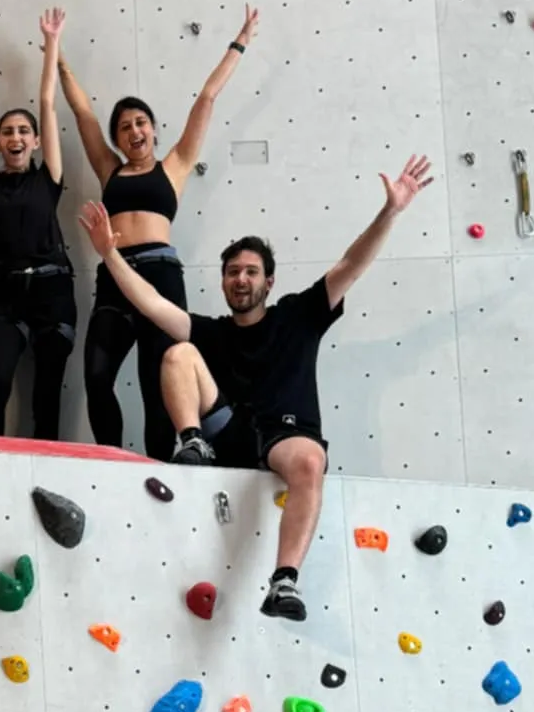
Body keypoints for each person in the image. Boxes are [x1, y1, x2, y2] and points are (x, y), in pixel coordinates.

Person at [78, 154, 435, 621]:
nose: (240, 279)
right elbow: (152, 304)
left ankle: (284, 581)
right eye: (232, 272)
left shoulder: (299, 315)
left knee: (310, 461)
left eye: (249, 271)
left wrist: (390, 211)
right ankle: (191, 443)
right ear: (223, 283)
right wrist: (109, 254)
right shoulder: (213, 332)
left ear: (268, 280)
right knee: (177, 353)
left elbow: (352, 263)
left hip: (285, 436)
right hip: (227, 434)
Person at [59, 8, 260, 457]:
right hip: (114, 278)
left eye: (140, 122)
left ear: (153, 130)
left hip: (161, 277)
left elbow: (206, 98)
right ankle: (111, 459)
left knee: (158, 386)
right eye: (125, 126)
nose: (134, 129)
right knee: (96, 376)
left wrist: (239, 42)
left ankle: (156, 467)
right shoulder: (108, 168)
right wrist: (57, 55)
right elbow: (82, 112)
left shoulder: (175, 166)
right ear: (117, 137)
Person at [0, 7, 75, 440]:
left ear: (36, 141)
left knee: (46, 394)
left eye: (24, 131)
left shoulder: (50, 179)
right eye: (8, 132)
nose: (15, 137)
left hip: (53, 293)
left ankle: (48, 467)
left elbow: (47, 102)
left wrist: (52, 44)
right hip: (6, 296)